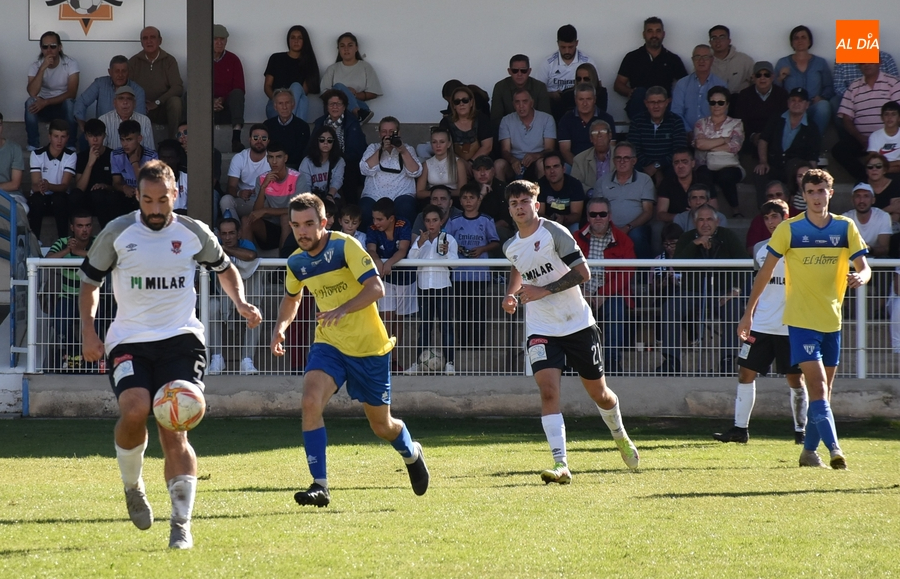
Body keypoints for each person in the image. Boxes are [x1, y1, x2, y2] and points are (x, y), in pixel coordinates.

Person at [79, 159, 261, 548]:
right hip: (128, 339)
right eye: (148, 200)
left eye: (163, 200)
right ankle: (133, 485)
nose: (156, 208)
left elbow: (225, 268)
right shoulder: (117, 231)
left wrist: (242, 303)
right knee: (134, 409)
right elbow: (89, 284)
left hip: (181, 339)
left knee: (172, 426)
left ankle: (181, 525)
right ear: (138, 197)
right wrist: (89, 331)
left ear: (175, 195)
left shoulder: (194, 232)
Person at [270, 193, 429, 507]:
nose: (302, 231)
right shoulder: (296, 262)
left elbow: (376, 288)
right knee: (309, 400)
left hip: (369, 348)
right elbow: (292, 297)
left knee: (382, 426)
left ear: (324, 222)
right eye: (296, 225)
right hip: (329, 343)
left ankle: (411, 453)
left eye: (309, 224)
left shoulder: (345, 247)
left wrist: (342, 309)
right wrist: (280, 328)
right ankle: (320, 484)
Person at [501, 180, 639, 484]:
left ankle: (619, 435)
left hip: (577, 323)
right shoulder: (510, 245)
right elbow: (517, 265)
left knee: (599, 394)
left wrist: (542, 290)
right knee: (549, 391)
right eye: (514, 204)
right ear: (509, 210)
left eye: (525, 201)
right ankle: (561, 463)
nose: (520, 207)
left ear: (536, 205)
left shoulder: (555, 233)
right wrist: (512, 295)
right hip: (540, 328)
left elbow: (583, 273)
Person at [737, 168, 870, 469]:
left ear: (830, 193)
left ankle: (809, 452)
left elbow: (865, 266)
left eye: (821, 190)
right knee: (819, 388)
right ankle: (835, 449)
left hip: (831, 321)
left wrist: (861, 276)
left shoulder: (845, 227)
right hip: (799, 322)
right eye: (810, 191)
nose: (816, 196)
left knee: (823, 394)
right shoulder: (790, 229)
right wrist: (748, 313)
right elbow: (765, 272)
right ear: (803, 195)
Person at [713, 198, 809, 445]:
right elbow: (758, 285)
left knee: (795, 379)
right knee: (745, 373)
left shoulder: (801, 248)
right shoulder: (759, 249)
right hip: (762, 324)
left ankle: (801, 431)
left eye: (775, 216)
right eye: (766, 218)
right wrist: (748, 315)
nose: (770, 222)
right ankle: (740, 429)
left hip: (791, 325)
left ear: (786, 217)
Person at [658, 204, 748, 375]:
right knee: (670, 308)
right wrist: (694, 244)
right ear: (694, 222)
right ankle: (671, 361)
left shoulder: (728, 236)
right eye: (701, 219)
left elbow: (745, 263)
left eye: (709, 219)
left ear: (717, 221)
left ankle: (728, 361)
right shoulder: (686, 237)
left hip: (723, 292)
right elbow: (677, 266)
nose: (705, 224)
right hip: (691, 292)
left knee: (734, 308)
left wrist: (736, 289)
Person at [574, 197, 635, 373]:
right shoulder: (575, 238)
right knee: (571, 306)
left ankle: (612, 362)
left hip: (611, 292)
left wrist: (604, 293)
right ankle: (578, 361)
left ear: (609, 216)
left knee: (616, 306)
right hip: (581, 290)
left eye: (602, 214)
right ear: (587, 216)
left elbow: (627, 272)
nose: (598, 218)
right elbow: (565, 267)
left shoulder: (623, 240)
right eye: (594, 214)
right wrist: (580, 289)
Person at [405, 204, 457, 376]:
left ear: (441, 221)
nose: (431, 224)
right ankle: (419, 362)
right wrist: (418, 244)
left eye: (435, 220)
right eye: (428, 221)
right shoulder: (421, 241)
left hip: (442, 286)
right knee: (425, 326)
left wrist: (448, 252)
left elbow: (454, 264)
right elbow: (411, 260)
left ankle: (450, 362)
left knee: (446, 325)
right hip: (424, 287)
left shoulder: (449, 239)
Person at [446, 183, 500, 348]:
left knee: (479, 310)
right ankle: (462, 343)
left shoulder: (486, 220)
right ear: (460, 201)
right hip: (460, 274)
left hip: (480, 273)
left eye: (472, 198)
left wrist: (483, 248)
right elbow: (445, 240)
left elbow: (495, 242)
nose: (468, 201)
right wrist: (457, 247)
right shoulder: (454, 221)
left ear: (479, 200)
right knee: (461, 310)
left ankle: (478, 344)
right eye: (465, 198)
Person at [208, 217, 262, 375]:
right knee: (212, 307)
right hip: (220, 297)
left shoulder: (245, 244)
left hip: (246, 300)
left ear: (239, 234)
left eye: (231, 233)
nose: (227, 237)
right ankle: (217, 358)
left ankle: (247, 360)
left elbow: (251, 255)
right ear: (218, 234)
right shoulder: (212, 245)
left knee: (257, 311)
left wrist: (224, 249)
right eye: (224, 234)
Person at [833, 63, 900, 183]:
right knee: (839, 150)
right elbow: (846, 118)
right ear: (858, 66)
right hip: (862, 140)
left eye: (870, 61)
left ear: (879, 61)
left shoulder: (893, 83)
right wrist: (860, 138)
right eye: (863, 62)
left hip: (889, 137)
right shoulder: (853, 87)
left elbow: (897, 113)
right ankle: (865, 179)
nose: (866, 65)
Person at [754, 88, 820, 206]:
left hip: (795, 171)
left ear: (807, 105)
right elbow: (763, 140)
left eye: (800, 101)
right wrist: (763, 161)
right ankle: (764, 210)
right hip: (773, 165)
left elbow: (813, 157)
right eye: (793, 100)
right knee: (760, 173)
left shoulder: (812, 127)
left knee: (795, 166)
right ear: (788, 102)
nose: (796, 103)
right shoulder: (776, 119)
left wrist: (811, 177)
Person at [366, 197, 417, 352]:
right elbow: (371, 250)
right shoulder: (372, 228)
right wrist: (378, 261)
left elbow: (403, 250)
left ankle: (394, 356)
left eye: (380, 219)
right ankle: (385, 354)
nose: (376, 222)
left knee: (398, 318)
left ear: (391, 218)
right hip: (385, 277)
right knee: (386, 316)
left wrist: (388, 263)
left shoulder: (404, 224)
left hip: (404, 278)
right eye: (374, 218)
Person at [46, 210, 95, 370]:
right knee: (60, 322)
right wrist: (67, 251)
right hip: (67, 295)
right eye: (80, 226)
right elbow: (46, 261)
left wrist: (78, 252)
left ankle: (96, 359)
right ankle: (75, 354)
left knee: (103, 321)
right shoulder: (63, 242)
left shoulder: (97, 242)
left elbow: (105, 258)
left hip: (93, 298)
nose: (84, 230)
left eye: (88, 225)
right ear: (72, 227)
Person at [614, 17, 687, 119]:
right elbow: (618, 84)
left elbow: (686, 85)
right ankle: (640, 130)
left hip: (664, 107)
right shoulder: (632, 57)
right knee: (640, 92)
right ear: (644, 34)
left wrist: (673, 99)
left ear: (663, 34)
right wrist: (630, 92)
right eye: (650, 31)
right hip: (640, 104)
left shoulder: (672, 59)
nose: (654, 35)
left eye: (658, 31)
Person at [359, 117, 422, 228]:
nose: (388, 135)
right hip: (375, 195)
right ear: (379, 134)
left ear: (399, 133)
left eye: (392, 132)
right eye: (384, 132)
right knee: (364, 209)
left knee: (406, 207)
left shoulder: (408, 148)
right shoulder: (373, 148)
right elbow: (364, 169)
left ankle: (405, 242)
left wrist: (403, 151)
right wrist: (381, 149)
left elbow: (415, 172)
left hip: (401, 195)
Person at [693, 85, 746, 217]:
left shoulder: (736, 123)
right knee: (702, 173)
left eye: (720, 102)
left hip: (729, 166)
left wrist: (708, 144)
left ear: (727, 104)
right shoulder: (700, 123)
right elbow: (699, 144)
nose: (716, 105)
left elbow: (735, 146)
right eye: (713, 102)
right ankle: (712, 207)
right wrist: (724, 139)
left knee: (726, 176)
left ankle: (736, 210)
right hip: (705, 166)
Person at [597, 141, 656, 258]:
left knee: (637, 236)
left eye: (626, 158)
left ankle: (644, 275)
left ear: (634, 161)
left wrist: (628, 227)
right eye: (618, 158)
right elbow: (597, 210)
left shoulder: (645, 180)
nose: (622, 161)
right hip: (607, 228)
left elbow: (648, 212)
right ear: (613, 161)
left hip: (635, 228)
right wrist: (608, 228)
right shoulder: (602, 181)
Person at [242, 141, 303, 250]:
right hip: (270, 228)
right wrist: (263, 187)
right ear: (267, 159)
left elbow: (299, 209)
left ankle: (283, 264)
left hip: (294, 227)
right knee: (247, 220)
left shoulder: (298, 177)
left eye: (278, 157)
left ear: (285, 158)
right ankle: (247, 261)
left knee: (285, 218)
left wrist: (266, 210)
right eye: (271, 157)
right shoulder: (261, 179)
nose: (274, 161)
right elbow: (256, 212)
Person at [774, 25, 833, 136]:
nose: (800, 40)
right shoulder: (783, 63)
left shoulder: (820, 62)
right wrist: (780, 79)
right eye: (796, 38)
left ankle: (815, 143)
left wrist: (822, 97)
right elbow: (774, 90)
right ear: (792, 42)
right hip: (792, 107)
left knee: (824, 106)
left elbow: (829, 85)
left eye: (803, 37)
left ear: (810, 41)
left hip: (812, 106)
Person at [26, 31, 79, 150]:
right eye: (45, 47)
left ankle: (70, 145)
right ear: (41, 49)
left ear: (59, 47)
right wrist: (43, 68)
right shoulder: (35, 65)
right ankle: (33, 145)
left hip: (62, 105)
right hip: (43, 107)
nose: (49, 50)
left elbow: (72, 93)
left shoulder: (71, 63)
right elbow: (32, 92)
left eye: (53, 46)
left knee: (70, 103)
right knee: (30, 102)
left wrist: (46, 102)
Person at [128, 27, 183, 139]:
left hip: (162, 107)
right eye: (145, 38)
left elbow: (178, 87)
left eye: (152, 37)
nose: (149, 41)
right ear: (141, 42)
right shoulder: (133, 61)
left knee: (175, 102)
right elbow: (127, 88)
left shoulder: (169, 60)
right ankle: (135, 143)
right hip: (141, 107)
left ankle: (173, 143)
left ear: (160, 40)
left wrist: (157, 102)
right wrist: (140, 102)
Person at [314, 89, 367, 201]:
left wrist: (337, 160)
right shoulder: (320, 123)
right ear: (327, 107)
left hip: (347, 162)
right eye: (331, 104)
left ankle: (351, 211)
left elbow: (356, 151)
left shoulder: (352, 123)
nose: (335, 107)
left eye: (338, 104)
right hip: (323, 160)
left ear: (344, 107)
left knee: (349, 171)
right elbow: (312, 145)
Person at [628, 86, 687, 187]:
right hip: (643, 166)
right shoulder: (637, 121)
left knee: (677, 168)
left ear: (667, 102)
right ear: (646, 103)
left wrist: (656, 166)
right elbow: (634, 149)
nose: (656, 106)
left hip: (668, 166)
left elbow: (678, 150)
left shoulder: (676, 121)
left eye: (660, 102)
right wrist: (651, 167)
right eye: (652, 102)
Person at [536, 24, 598, 119]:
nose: (567, 51)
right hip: (554, 107)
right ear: (557, 43)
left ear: (576, 43)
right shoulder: (548, 63)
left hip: (581, 107)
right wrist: (551, 95)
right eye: (563, 47)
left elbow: (598, 86)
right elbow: (537, 91)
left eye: (570, 47)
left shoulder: (587, 61)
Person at [74, 55, 147, 134]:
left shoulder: (138, 91)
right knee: (85, 137)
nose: (120, 75)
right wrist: (82, 123)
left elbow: (140, 119)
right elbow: (81, 102)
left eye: (124, 71)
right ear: (110, 72)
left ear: (128, 72)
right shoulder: (100, 84)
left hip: (126, 134)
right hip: (101, 133)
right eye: (117, 71)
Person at [28, 119, 76, 239]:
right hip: (41, 198)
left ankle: (63, 240)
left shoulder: (71, 155)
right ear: (49, 137)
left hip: (60, 198)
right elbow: (34, 184)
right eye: (56, 136)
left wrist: (48, 186)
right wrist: (41, 186)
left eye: (63, 137)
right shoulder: (36, 154)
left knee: (59, 198)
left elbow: (65, 185)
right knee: (37, 200)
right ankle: (35, 242)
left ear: (67, 137)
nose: (59, 141)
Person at [320, 32, 382, 124]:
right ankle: (357, 112)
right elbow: (324, 94)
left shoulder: (365, 67)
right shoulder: (332, 69)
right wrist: (344, 92)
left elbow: (374, 92)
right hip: (336, 110)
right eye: (342, 46)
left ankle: (358, 112)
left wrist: (354, 95)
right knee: (339, 87)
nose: (346, 49)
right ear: (338, 49)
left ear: (356, 48)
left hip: (362, 106)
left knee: (342, 91)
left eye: (350, 45)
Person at [263, 25, 320, 122]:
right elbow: (267, 86)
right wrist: (279, 102)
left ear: (304, 41)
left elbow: (303, 92)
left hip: (296, 106)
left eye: (300, 38)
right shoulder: (276, 58)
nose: (296, 41)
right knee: (300, 94)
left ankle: (289, 123)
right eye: (293, 37)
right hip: (275, 107)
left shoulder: (308, 63)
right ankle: (294, 126)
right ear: (288, 40)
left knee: (300, 93)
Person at [497, 89, 556, 181]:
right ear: (513, 105)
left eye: (525, 101)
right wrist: (513, 160)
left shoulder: (546, 119)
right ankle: (501, 195)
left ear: (531, 103)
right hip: (514, 163)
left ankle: (543, 194)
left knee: (542, 164)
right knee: (498, 164)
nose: (521, 106)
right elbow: (505, 150)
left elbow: (550, 149)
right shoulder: (506, 120)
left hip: (537, 161)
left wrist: (535, 156)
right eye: (517, 102)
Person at [734, 62, 789, 157]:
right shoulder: (744, 95)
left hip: (775, 141)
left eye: (766, 75)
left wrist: (768, 137)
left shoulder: (782, 94)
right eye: (758, 75)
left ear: (772, 77)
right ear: (753, 78)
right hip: (750, 141)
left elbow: (784, 120)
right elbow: (740, 120)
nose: (762, 78)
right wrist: (753, 135)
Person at [671, 45, 727, 136]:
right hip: (684, 135)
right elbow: (676, 113)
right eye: (697, 57)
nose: (701, 61)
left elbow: (722, 114)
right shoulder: (682, 84)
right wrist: (688, 132)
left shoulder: (721, 85)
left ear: (712, 60)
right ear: (693, 60)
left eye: (705, 57)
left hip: (712, 136)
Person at [490, 55, 553, 135]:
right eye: (515, 70)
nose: (519, 74)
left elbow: (545, 117)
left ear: (529, 71)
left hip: (535, 132)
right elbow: (496, 119)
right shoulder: (500, 87)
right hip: (508, 133)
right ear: (509, 71)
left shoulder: (540, 87)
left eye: (523, 71)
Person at [110, 120, 159, 223]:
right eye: (122, 140)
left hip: (144, 195)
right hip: (127, 194)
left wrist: (135, 163)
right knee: (113, 198)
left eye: (129, 140)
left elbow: (147, 186)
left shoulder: (152, 156)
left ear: (139, 138)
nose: (125, 144)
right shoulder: (116, 154)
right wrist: (124, 188)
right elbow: (116, 182)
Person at [557, 83, 616, 166]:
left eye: (589, 99)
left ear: (595, 99)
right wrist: (579, 167)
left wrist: (595, 167)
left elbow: (610, 148)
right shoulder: (566, 119)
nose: (585, 103)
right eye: (581, 99)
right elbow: (565, 151)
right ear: (575, 100)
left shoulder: (607, 119)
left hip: (601, 164)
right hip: (574, 164)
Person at [439, 85, 493, 173]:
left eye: (465, 100)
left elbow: (487, 146)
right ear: (453, 105)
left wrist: (471, 163)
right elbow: (444, 148)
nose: (461, 104)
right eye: (457, 102)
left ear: (471, 102)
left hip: (481, 164)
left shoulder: (482, 119)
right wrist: (462, 163)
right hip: (454, 164)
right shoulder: (445, 122)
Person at [222, 124, 270, 220]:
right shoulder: (239, 158)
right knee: (225, 200)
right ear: (249, 139)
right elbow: (231, 187)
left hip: (266, 201)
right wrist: (240, 193)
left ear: (268, 141)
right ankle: (235, 232)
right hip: (244, 201)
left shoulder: (273, 158)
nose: (259, 141)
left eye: (263, 138)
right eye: (255, 137)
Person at [656, 148, 714, 224]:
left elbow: (714, 209)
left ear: (693, 163)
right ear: (673, 165)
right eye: (676, 163)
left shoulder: (704, 181)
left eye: (685, 162)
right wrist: (683, 217)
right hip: (676, 225)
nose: (680, 166)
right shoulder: (667, 182)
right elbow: (661, 214)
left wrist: (697, 215)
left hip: (701, 223)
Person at [212, 24, 246, 153]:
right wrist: (211, 101)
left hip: (227, 108)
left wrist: (221, 99)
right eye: (216, 39)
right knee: (189, 95)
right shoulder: (201, 59)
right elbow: (197, 86)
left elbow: (240, 87)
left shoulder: (233, 60)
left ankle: (236, 139)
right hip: (206, 109)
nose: (219, 43)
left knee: (237, 94)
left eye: (223, 39)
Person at [72, 118, 113, 220]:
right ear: (86, 137)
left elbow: (117, 185)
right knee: (75, 195)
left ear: (104, 136)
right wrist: (90, 163)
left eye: (98, 135)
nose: (95, 140)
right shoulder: (81, 157)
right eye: (91, 136)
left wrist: (104, 186)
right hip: (86, 199)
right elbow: (80, 188)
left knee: (99, 195)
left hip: (105, 199)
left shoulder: (112, 155)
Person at [744, 180, 800, 253]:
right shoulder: (758, 220)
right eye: (770, 196)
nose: (775, 198)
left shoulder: (799, 216)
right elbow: (752, 248)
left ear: (787, 197)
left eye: (778, 194)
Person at [536, 151, 585, 231]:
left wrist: (563, 218)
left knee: (576, 227)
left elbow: (577, 215)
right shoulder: (539, 185)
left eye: (556, 166)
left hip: (569, 224)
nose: (552, 171)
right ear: (544, 171)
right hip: (547, 224)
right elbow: (539, 214)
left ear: (563, 169)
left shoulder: (575, 184)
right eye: (548, 167)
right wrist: (552, 221)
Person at [263, 88, 310, 170]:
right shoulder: (267, 125)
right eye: (280, 103)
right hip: (271, 168)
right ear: (275, 106)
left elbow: (303, 155)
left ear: (293, 105)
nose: (284, 107)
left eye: (287, 103)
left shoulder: (303, 127)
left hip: (295, 169)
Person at [416, 127, 466, 202]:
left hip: (452, 200)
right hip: (432, 200)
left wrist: (445, 194)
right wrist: (436, 195)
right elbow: (419, 193)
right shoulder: (426, 164)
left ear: (449, 144)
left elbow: (463, 191)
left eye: (442, 142)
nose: (438, 145)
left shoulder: (458, 163)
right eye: (434, 142)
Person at [98, 86, 155, 151]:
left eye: (129, 99)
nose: (125, 102)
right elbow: (101, 150)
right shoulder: (104, 120)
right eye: (121, 98)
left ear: (134, 103)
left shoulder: (145, 120)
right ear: (114, 102)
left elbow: (150, 151)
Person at [843, 183, 891, 257]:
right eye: (858, 196)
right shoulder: (845, 218)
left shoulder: (883, 216)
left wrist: (868, 249)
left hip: (876, 260)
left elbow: (884, 249)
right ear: (852, 200)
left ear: (873, 200)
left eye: (866, 196)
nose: (862, 200)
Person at [469, 155, 511, 241]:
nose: (482, 173)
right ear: (473, 172)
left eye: (486, 169)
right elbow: (467, 215)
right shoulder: (468, 189)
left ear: (493, 171)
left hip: (497, 229)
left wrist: (485, 230)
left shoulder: (504, 188)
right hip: (472, 229)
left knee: (500, 232)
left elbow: (505, 221)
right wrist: (481, 195)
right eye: (478, 170)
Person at [299, 125, 346, 202]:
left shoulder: (339, 161)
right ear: (316, 141)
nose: (325, 143)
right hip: (310, 198)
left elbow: (337, 180)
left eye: (329, 140)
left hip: (331, 197)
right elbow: (305, 184)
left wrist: (329, 196)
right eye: (322, 140)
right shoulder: (307, 161)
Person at [708, 25, 755, 94]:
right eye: (714, 38)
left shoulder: (744, 60)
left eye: (722, 37)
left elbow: (757, 82)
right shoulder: (705, 61)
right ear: (710, 42)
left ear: (729, 41)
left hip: (740, 102)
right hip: (714, 103)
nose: (718, 41)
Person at [571, 119, 613, 195]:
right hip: (591, 201)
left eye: (603, 132)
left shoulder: (621, 155)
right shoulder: (579, 159)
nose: (599, 135)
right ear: (591, 138)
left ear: (610, 135)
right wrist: (591, 192)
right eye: (595, 133)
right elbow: (575, 184)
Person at [865, 152, 900, 223]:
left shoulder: (894, 184)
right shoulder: (862, 185)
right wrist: (889, 208)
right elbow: (863, 214)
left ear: (884, 170)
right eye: (870, 166)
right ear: (866, 171)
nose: (874, 169)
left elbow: (896, 213)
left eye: (878, 166)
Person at [868, 101, 900, 174]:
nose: (890, 117)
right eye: (886, 114)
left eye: (893, 114)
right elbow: (873, 161)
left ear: (899, 117)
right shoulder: (875, 136)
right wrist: (897, 163)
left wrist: (884, 167)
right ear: (882, 117)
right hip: (880, 174)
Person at [157, 139, 188, 214]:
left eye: (170, 158)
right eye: (163, 158)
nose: (166, 162)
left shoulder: (187, 177)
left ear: (178, 159)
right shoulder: (153, 179)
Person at [0, 112, 25, 200]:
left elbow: (15, 184)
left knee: (22, 209)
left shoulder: (15, 148)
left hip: (12, 195)